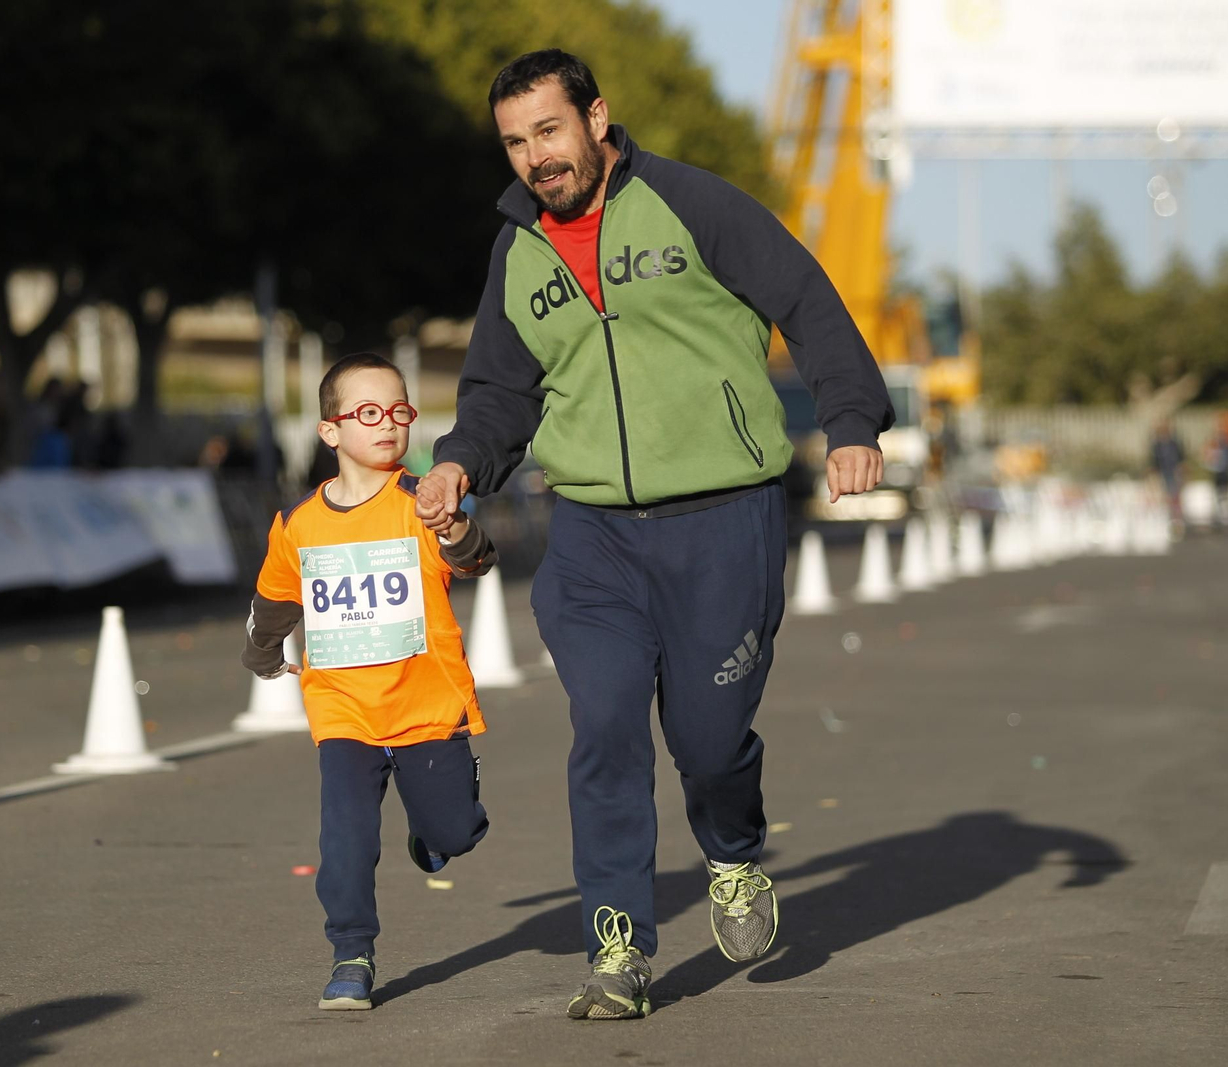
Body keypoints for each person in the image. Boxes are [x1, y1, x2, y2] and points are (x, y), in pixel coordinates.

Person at [415, 50, 894, 1020]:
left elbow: (804, 298)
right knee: (603, 729)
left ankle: (730, 850)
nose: (534, 158)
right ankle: (617, 944)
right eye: (513, 142)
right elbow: (501, 388)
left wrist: (849, 422)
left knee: (709, 741)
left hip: (724, 516)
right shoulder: (518, 248)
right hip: (591, 531)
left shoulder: (693, 204)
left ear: (597, 117)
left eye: (548, 131)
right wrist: (462, 460)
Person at [241, 352, 498, 1012]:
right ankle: (351, 951)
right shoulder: (298, 524)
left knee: (457, 833)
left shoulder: (423, 502)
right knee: (345, 839)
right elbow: (276, 596)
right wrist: (263, 650)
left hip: (425, 706)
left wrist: (461, 526)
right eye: (369, 413)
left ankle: (434, 832)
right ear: (330, 430)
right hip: (343, 709)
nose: (389, 424)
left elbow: (477, 557)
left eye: (400, 411)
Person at [1150, 420, 1185, 521]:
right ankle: (1166, 514)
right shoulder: (1157, 445)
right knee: (1165, 493)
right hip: (1163, 472)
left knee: (1175, 493)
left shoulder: (1174, 443)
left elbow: (1181, 457)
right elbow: (1154, 460)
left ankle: (1176, 516)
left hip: (1174, 471)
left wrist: (1181, 468)